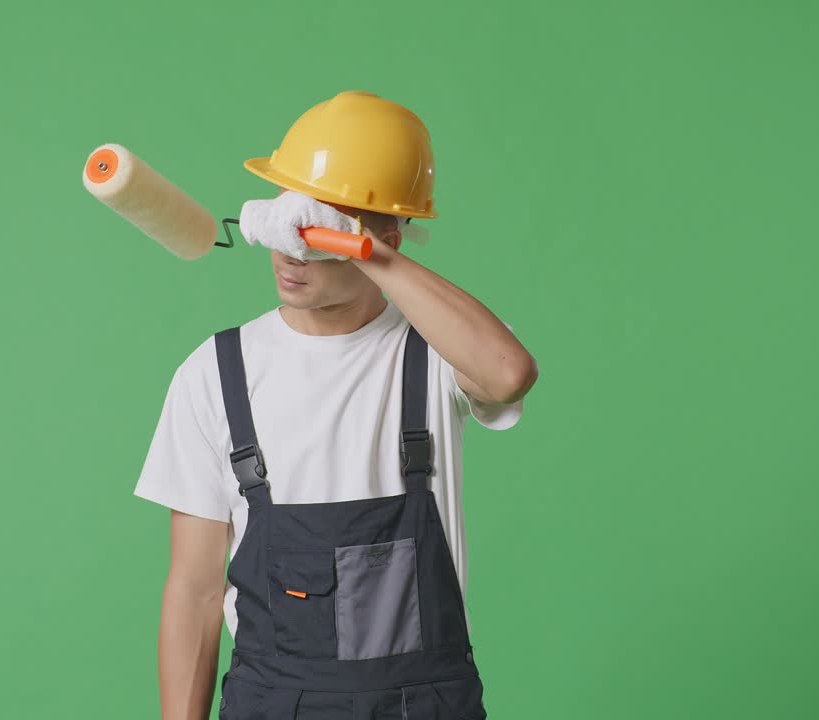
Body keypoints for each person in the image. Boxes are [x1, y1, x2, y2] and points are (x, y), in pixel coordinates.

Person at [134, 90, 538, 719]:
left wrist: (370, 253)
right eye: (285, 218)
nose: (289, 251)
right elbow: (195, 590)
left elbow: (509, 374)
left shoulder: (434, 352)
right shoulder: (214, 372)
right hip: (272, 703)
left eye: (315, 227)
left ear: (384, 236)